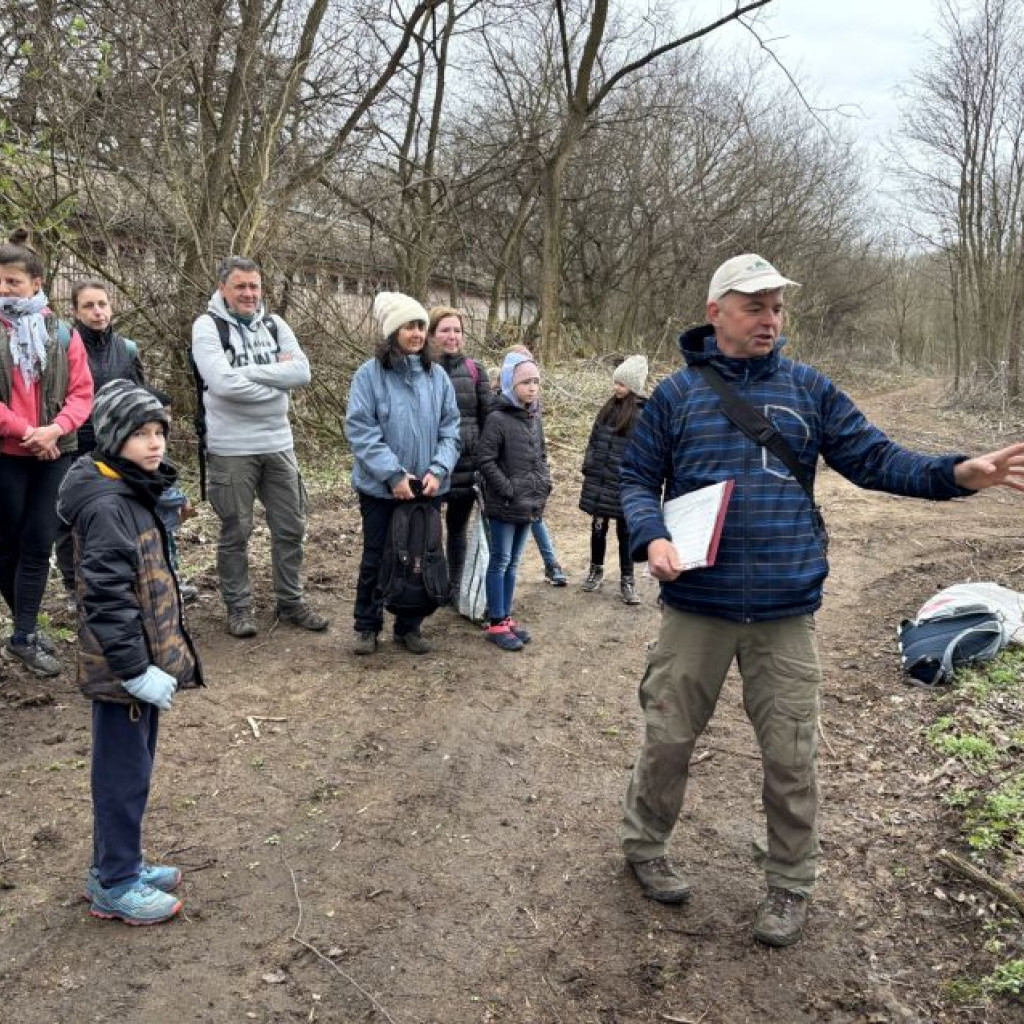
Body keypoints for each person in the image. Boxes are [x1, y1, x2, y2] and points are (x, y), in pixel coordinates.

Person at [618, 253, 1024, 948]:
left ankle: (789, 883)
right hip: (697, 609)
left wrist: (960, 472)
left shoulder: (810, 390)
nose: (770, 319)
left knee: (792, 756)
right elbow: (632, 482)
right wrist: (651, 536)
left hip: (785, 613)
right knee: (668, 739)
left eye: (777, 307)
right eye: (755, 306)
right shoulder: (677, 397)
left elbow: (877, 460)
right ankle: (645, 848)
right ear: (716, 313)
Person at [57, 380, 203, 925]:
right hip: (122, 671)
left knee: (135, 770)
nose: (155, 443)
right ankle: (114, 883)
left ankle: (120, 863)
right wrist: (135, 668)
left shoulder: (135, 491)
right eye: (141, 434)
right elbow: (105, 595)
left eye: (160, 432)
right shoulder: (105, 505)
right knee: (122, 778)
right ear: (115, 437)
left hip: (140, 662)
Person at [191, 256, 327, 638]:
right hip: (231, 447)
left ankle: (291, 600)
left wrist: (244, 373)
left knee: (291, 525)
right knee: (236, 530)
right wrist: (275, 382)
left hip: (278, 443)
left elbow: (302, 372)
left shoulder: (275, 324)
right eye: (240, 286)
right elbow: (220, 384)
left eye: (254, 286)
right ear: (223, 289)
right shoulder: (207, 327)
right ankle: (239, 608)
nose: (249, 293)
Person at [345, 292, 460, 655]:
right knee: (377, 556)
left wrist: (439, 470)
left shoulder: (436, 376)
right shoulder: (369, 375)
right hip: (381, 490)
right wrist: (393, 476)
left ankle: (409, 626)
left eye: (421, 326)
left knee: (419, 557)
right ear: (393, 331)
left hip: (428, 487)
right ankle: (368, 624)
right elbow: (361, 430)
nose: (417, 333)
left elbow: (451, 428)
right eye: (410, 326)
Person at [0, 230, 93, 675]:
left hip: (55, 450)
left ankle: (22, 636)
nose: (4, 289)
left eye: (12, 281)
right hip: (7, 451)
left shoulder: (61, 332)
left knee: (38, 542)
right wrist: (27, 431)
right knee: (7, 547)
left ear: (36, 283)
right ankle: (27, 625)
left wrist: (54, 429)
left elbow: (81, 393)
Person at [54, 278, 145, 613]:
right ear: (75, 311)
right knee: (70, 518)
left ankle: (131, 576)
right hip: (75, 443)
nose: (97, 312)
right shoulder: (63, 345)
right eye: (89, 306)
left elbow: (139, 397)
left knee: (124, 512)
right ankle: (73, 586)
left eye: (102, 304)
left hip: (117, 447)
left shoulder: (127, 349)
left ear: (112, 306)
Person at [476, 350, 551, 651]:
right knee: (500, 561)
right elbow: (485, 459)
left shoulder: (534, 417)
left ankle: (506, 618)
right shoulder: (497, 418)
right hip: (505, 504)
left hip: (529, 503)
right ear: (510, 384)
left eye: (535, 382)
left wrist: (544, 483)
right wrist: (507, 488)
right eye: (525, 382)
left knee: (514, 563)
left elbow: (541, 455)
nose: (532, 387)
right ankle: (495, 623)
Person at [429, 306, 493, 599]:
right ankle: (432, 585)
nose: (452, 336)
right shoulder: (422, 369)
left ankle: (456, 586)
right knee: (428, 532)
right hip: (431, 465)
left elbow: (488, 417)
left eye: (457, 330)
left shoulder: (475, 369)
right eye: (445, 330)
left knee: (457, 530)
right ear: (432, 335)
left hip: (467, 465)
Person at [579, 354, 648, 604]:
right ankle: (595, 570)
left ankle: (627, 580)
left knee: (625, 533)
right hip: (600, 482)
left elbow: (644, 452)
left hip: (623, 485)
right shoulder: (607, 409)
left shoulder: (642, 415)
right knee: (598, 529)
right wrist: (589, 465)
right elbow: (593, 440)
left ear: (633, 386)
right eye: (615, 382)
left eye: (622, 384)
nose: (616, 387)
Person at [501, 345, 568, 586]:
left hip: (531, 481)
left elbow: (539, 447)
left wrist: (544, 479)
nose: (531, 385)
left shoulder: (533, 404)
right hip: (507, 485)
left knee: (536, 518)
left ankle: (551, 564)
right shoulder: (500, 402)